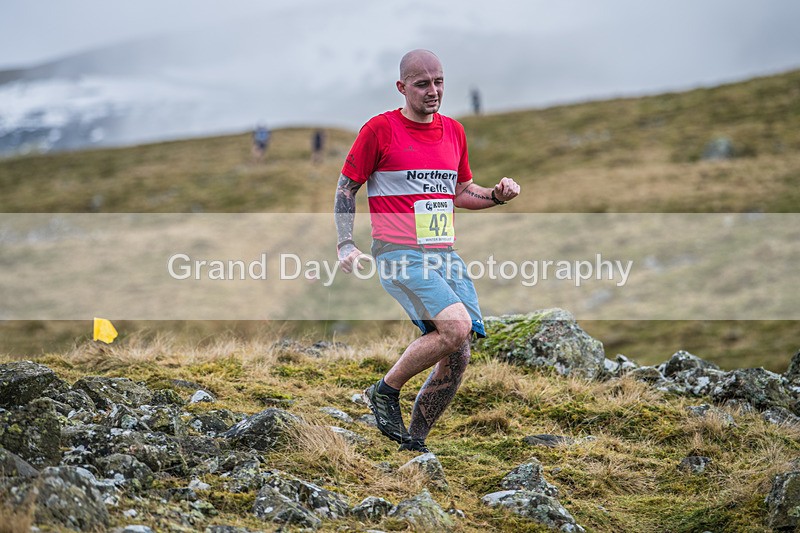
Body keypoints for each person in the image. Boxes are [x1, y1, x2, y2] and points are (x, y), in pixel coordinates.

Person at [333, 49, 520, 453]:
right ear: (402, 87)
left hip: (444, 254)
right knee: (455, 327)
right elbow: (346, 187)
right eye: (422, 84)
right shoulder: (379, 130)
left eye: (439, 82)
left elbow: (459, 192)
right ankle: (384, 391)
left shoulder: (454, 131)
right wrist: (345, 242)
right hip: (399, 252)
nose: (433, 91)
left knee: (458, 350)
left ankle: (414, 443)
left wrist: (496, 195)